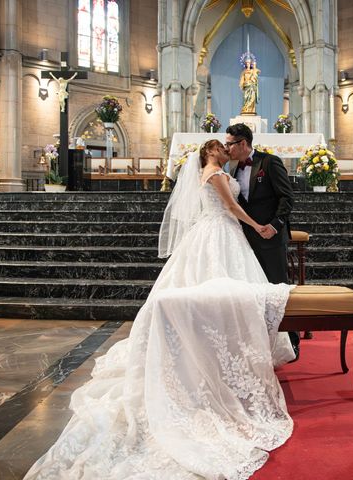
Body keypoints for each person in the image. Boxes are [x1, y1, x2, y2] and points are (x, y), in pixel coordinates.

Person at [23, 140, 296, 480]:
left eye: (231, 146)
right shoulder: (217, 174)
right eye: (222, 148)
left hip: (213, 234)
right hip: (224, 233)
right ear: (213, 152)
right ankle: (220, 349)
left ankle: (215, 345)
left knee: (213, 293)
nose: (227, 151)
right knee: (219, 293)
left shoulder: (210, 172)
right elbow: (230, 208)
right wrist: (256, 225)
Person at [225, 123, 300, 358]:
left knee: (278, 288)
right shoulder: (233, 169)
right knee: (255, 290)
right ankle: (264, 342)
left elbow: (286, 197)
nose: (227, 148)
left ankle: (292, 341)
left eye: (230, 144)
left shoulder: (269, 162)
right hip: (247, 239)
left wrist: (275, 226)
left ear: (243, 144)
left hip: (271, 237)